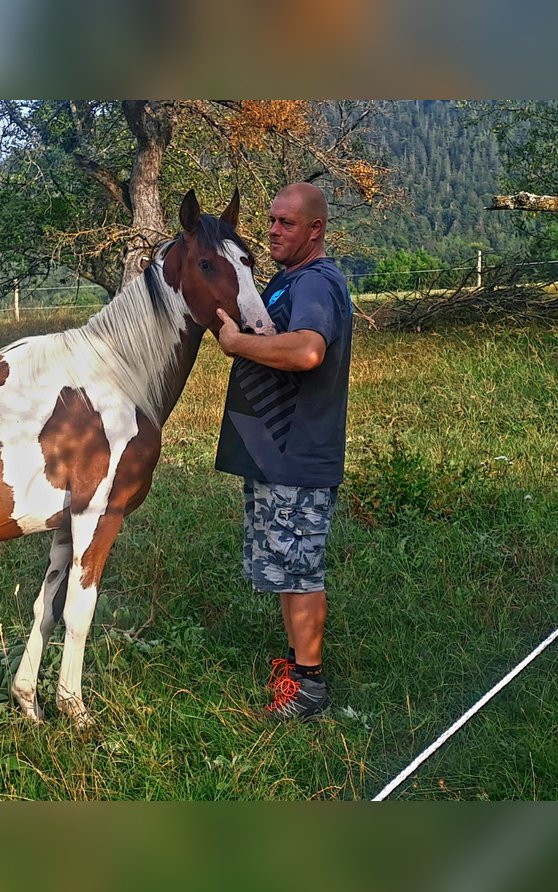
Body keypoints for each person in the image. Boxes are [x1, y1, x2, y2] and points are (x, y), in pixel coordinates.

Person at [213, 182, 353, 721]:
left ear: (315, 230)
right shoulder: (286, 281)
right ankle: (295, 667)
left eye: (287, 223)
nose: (273, 229)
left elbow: (307, 349)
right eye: (271, 220)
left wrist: (238, 344)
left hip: (299, 456)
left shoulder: (317, 282)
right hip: (275, 455)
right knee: (284, 566)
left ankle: (310, 687)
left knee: (299, 570)